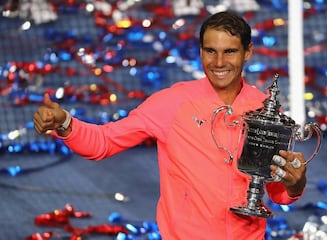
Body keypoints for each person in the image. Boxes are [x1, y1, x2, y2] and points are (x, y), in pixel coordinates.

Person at [33, 11, 307, 240]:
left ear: (247, 52)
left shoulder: (265, 110)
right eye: (210, 51)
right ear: (200, 51)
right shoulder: (171, 103)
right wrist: (66, 123)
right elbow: (104, 142)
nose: (219, 62)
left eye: (230, 52)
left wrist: (295, 184)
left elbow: (276, 192)